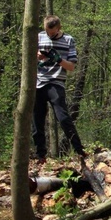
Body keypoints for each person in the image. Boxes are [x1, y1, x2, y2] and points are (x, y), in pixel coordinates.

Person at [33, 15, 86, 164]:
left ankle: (79, 150)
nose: (49, 35)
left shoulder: (68, 40)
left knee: (63, 117)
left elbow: (71, 67)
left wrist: (58, 59)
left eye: (52, 32)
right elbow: (31, 57)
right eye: (46, 31)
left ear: (59, 28)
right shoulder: (39, 37)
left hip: (56, 83)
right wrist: (39, 57)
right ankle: (40, 156)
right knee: (37, 121)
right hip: (39, 82)